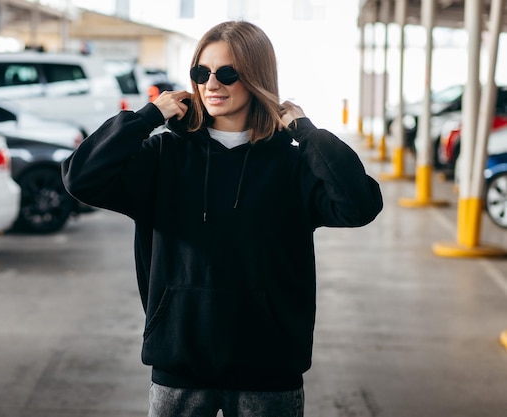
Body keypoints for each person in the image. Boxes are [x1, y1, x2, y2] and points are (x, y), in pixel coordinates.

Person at [62, 20, 383, 417]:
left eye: (227, 73)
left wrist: (307, 131)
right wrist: (146, 117)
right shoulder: (164, 156)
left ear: (256, 78)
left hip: (269, 369)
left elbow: (359, 204)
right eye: (202, 72)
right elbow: (81, 177)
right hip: (179, 363)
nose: (212, 84)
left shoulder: (291, 163)